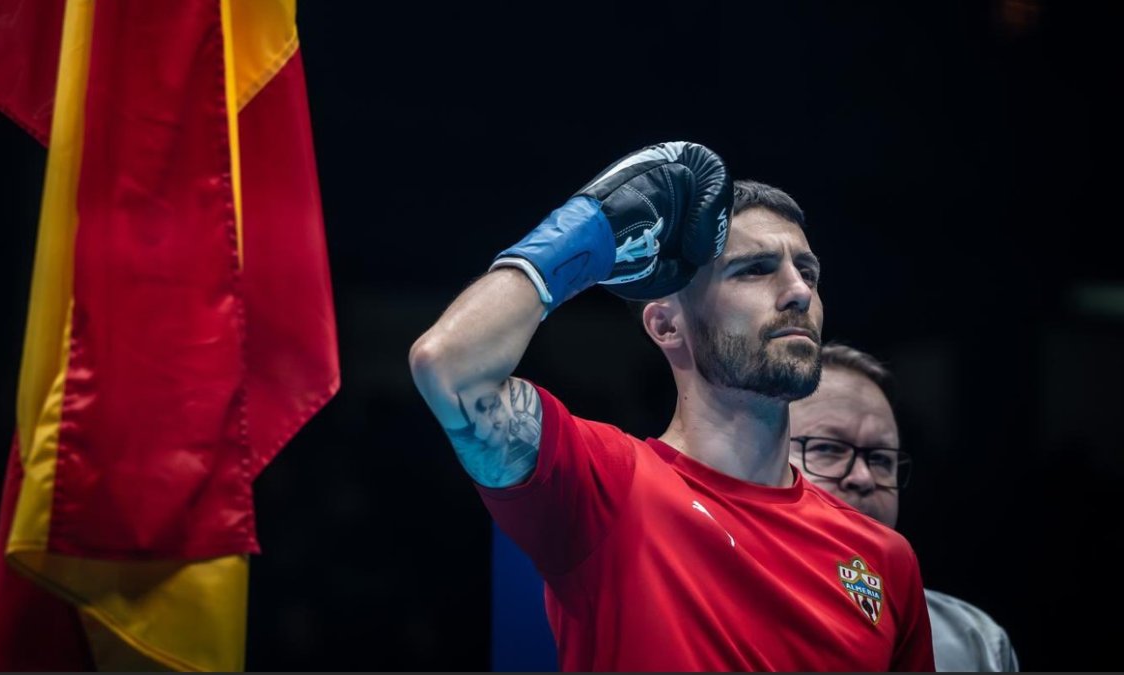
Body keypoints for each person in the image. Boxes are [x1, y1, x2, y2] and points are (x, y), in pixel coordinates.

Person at [409, 141, 934, 671]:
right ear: (666, 325)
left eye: (809, 272)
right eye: (754, 269)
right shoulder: (608, 485)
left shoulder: (884, 559)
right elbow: (450, 366)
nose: (798, 291)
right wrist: (589, 226)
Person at [788, 342, 1020, 672]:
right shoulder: (711, 615)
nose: (863, 477)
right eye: (828, 448)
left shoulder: (976, 644)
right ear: (758, 457)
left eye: (881, 459)